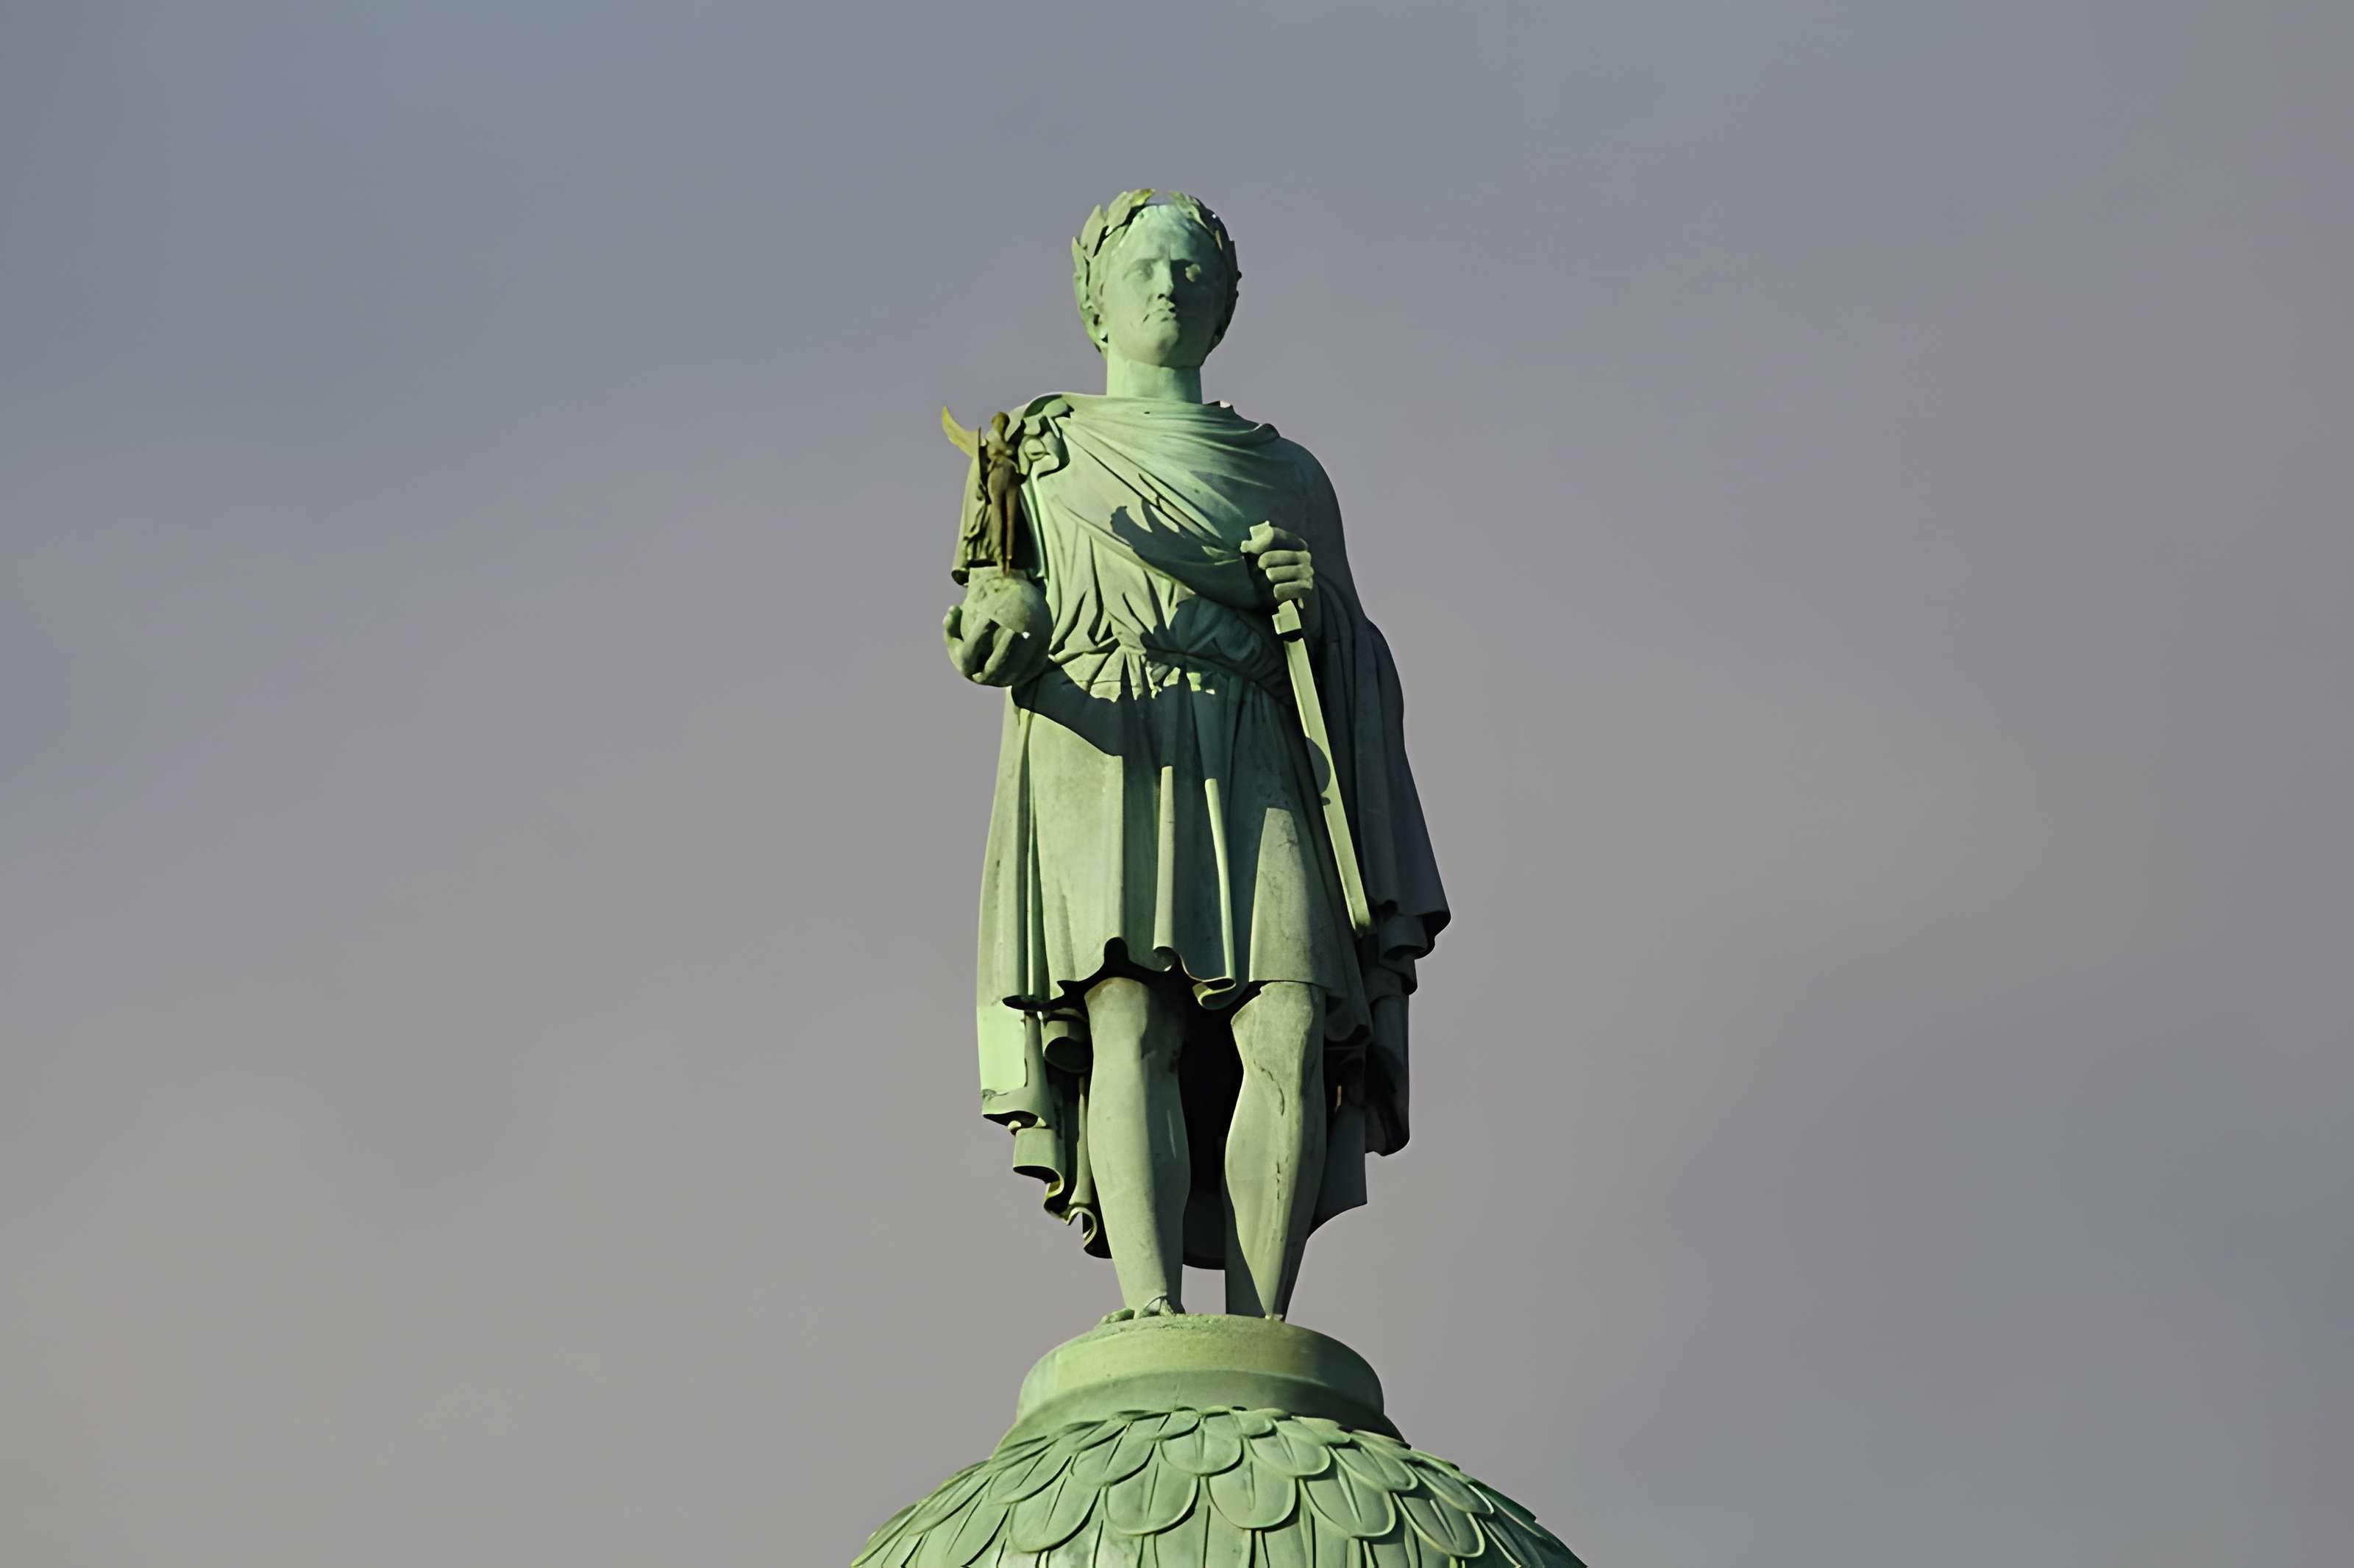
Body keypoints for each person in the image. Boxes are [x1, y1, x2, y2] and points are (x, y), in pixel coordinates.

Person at [940, 190, 1447, 1321]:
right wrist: (995, 630)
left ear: (1225, 305)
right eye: (1142, 271)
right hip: (1104, 725)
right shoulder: (1037, 446)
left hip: (1250, 731)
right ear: (1094, 301)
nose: (1166, 287)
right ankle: (1151, 1303)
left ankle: (1260, 1320)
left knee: (1289, 1012)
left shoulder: (1288, 476)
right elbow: (994, 605)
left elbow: (1355, 667)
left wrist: (1312, 613)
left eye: (1188, 271)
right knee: (1130, 1011)